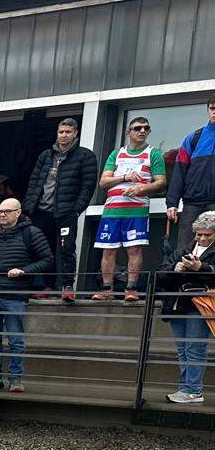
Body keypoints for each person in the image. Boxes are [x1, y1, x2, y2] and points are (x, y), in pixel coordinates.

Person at [0, 198, 54, 394]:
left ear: (18, 212)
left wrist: (25, 271)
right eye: (0, 211)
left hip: (15, 295)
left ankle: (15, 379)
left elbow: (47, 259)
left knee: (16, 340)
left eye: (7, 211)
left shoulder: (31, 233)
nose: (2, 214)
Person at [21, 117, 98, 299]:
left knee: (66, 248)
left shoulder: (85, 156)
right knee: (43, 249)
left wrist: (76, 210)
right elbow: (34, 182)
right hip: (41, 211)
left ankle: (67, 286)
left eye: (68, 132)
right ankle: (48, 286)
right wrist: (28, 206)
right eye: (61, 132)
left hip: (66, 212)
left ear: (75, 134)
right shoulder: (46, 155)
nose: (64, 135)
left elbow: (88, 187)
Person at [94, 116, 166, 300]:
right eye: (137, 128)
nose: (142, 131)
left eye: (146, 128)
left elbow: (161, 182)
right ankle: (107, 290)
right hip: (112, 209)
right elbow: (103, 181)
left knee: (134, 249)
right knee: (108, 249)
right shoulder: (116, 153)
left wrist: (142, 189)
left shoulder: (153, 153)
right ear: (128, 132)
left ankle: (131, 289)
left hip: (137, 210)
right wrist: (125, 177)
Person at [157, 209, 215, 404]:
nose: (202, 238)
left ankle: (193, 390)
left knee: (195, 348)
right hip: (177, 304)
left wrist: (202, 268)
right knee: (182, 348)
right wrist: (176, 268)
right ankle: (185, 388)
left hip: (200, 304)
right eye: (199, 234)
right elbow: (161, 270)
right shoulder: (185, 248)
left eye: (208, 235)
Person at [166, 95, 215, 251]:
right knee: (185, 248)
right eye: (213, 108)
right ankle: (183, 276)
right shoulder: (193, 138)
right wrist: (172, 203)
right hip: (192, 203)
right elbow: (179, 172)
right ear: (208, 110)